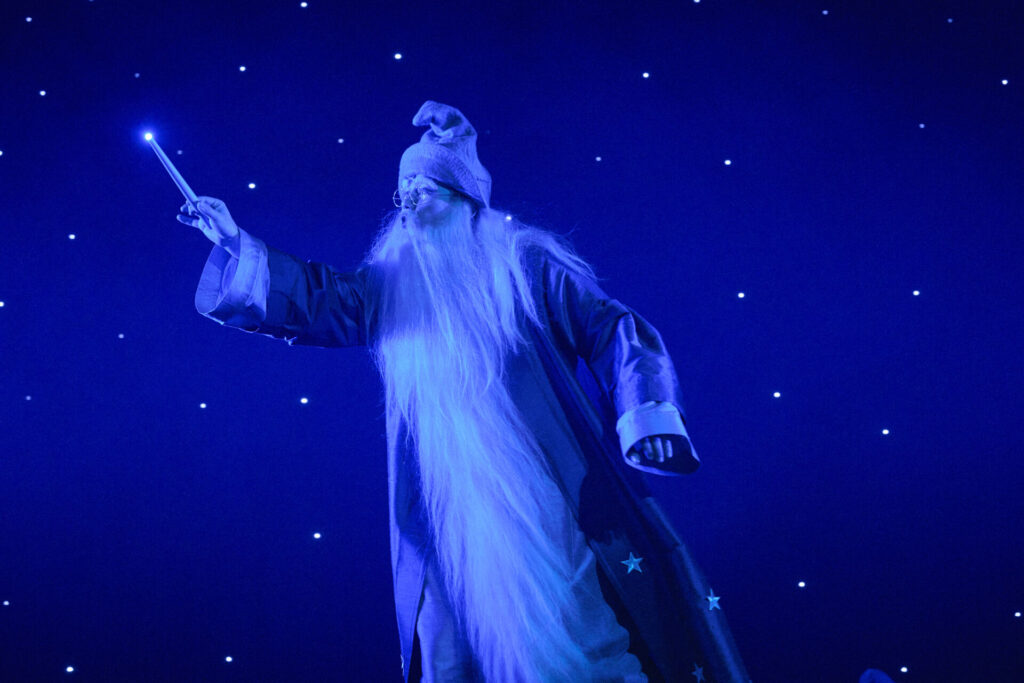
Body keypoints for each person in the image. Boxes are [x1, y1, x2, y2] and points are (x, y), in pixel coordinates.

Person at [177, 101, 748, 682]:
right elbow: (317, 299)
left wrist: (646, 410)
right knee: (454, 643)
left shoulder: (523, 264)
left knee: (573, 623)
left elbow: (610, 327)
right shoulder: (390, 284)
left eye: (423, 191)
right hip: (444, 494)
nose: (408, 207)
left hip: (540, 484)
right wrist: (233, 240)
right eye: (402, 194)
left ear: (464, 199)